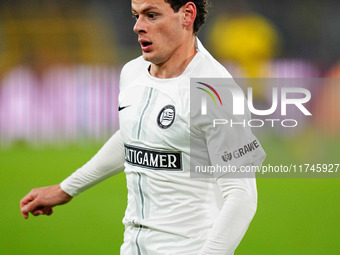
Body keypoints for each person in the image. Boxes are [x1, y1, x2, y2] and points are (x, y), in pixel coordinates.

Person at [20, 0, 266, 254]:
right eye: (135, 15)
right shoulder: (133, 73)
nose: (138, 26)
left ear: (187, 15)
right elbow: (135, 136)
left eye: (151, 15)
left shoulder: (215, 91)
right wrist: (66, 189)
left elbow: (242, 197)